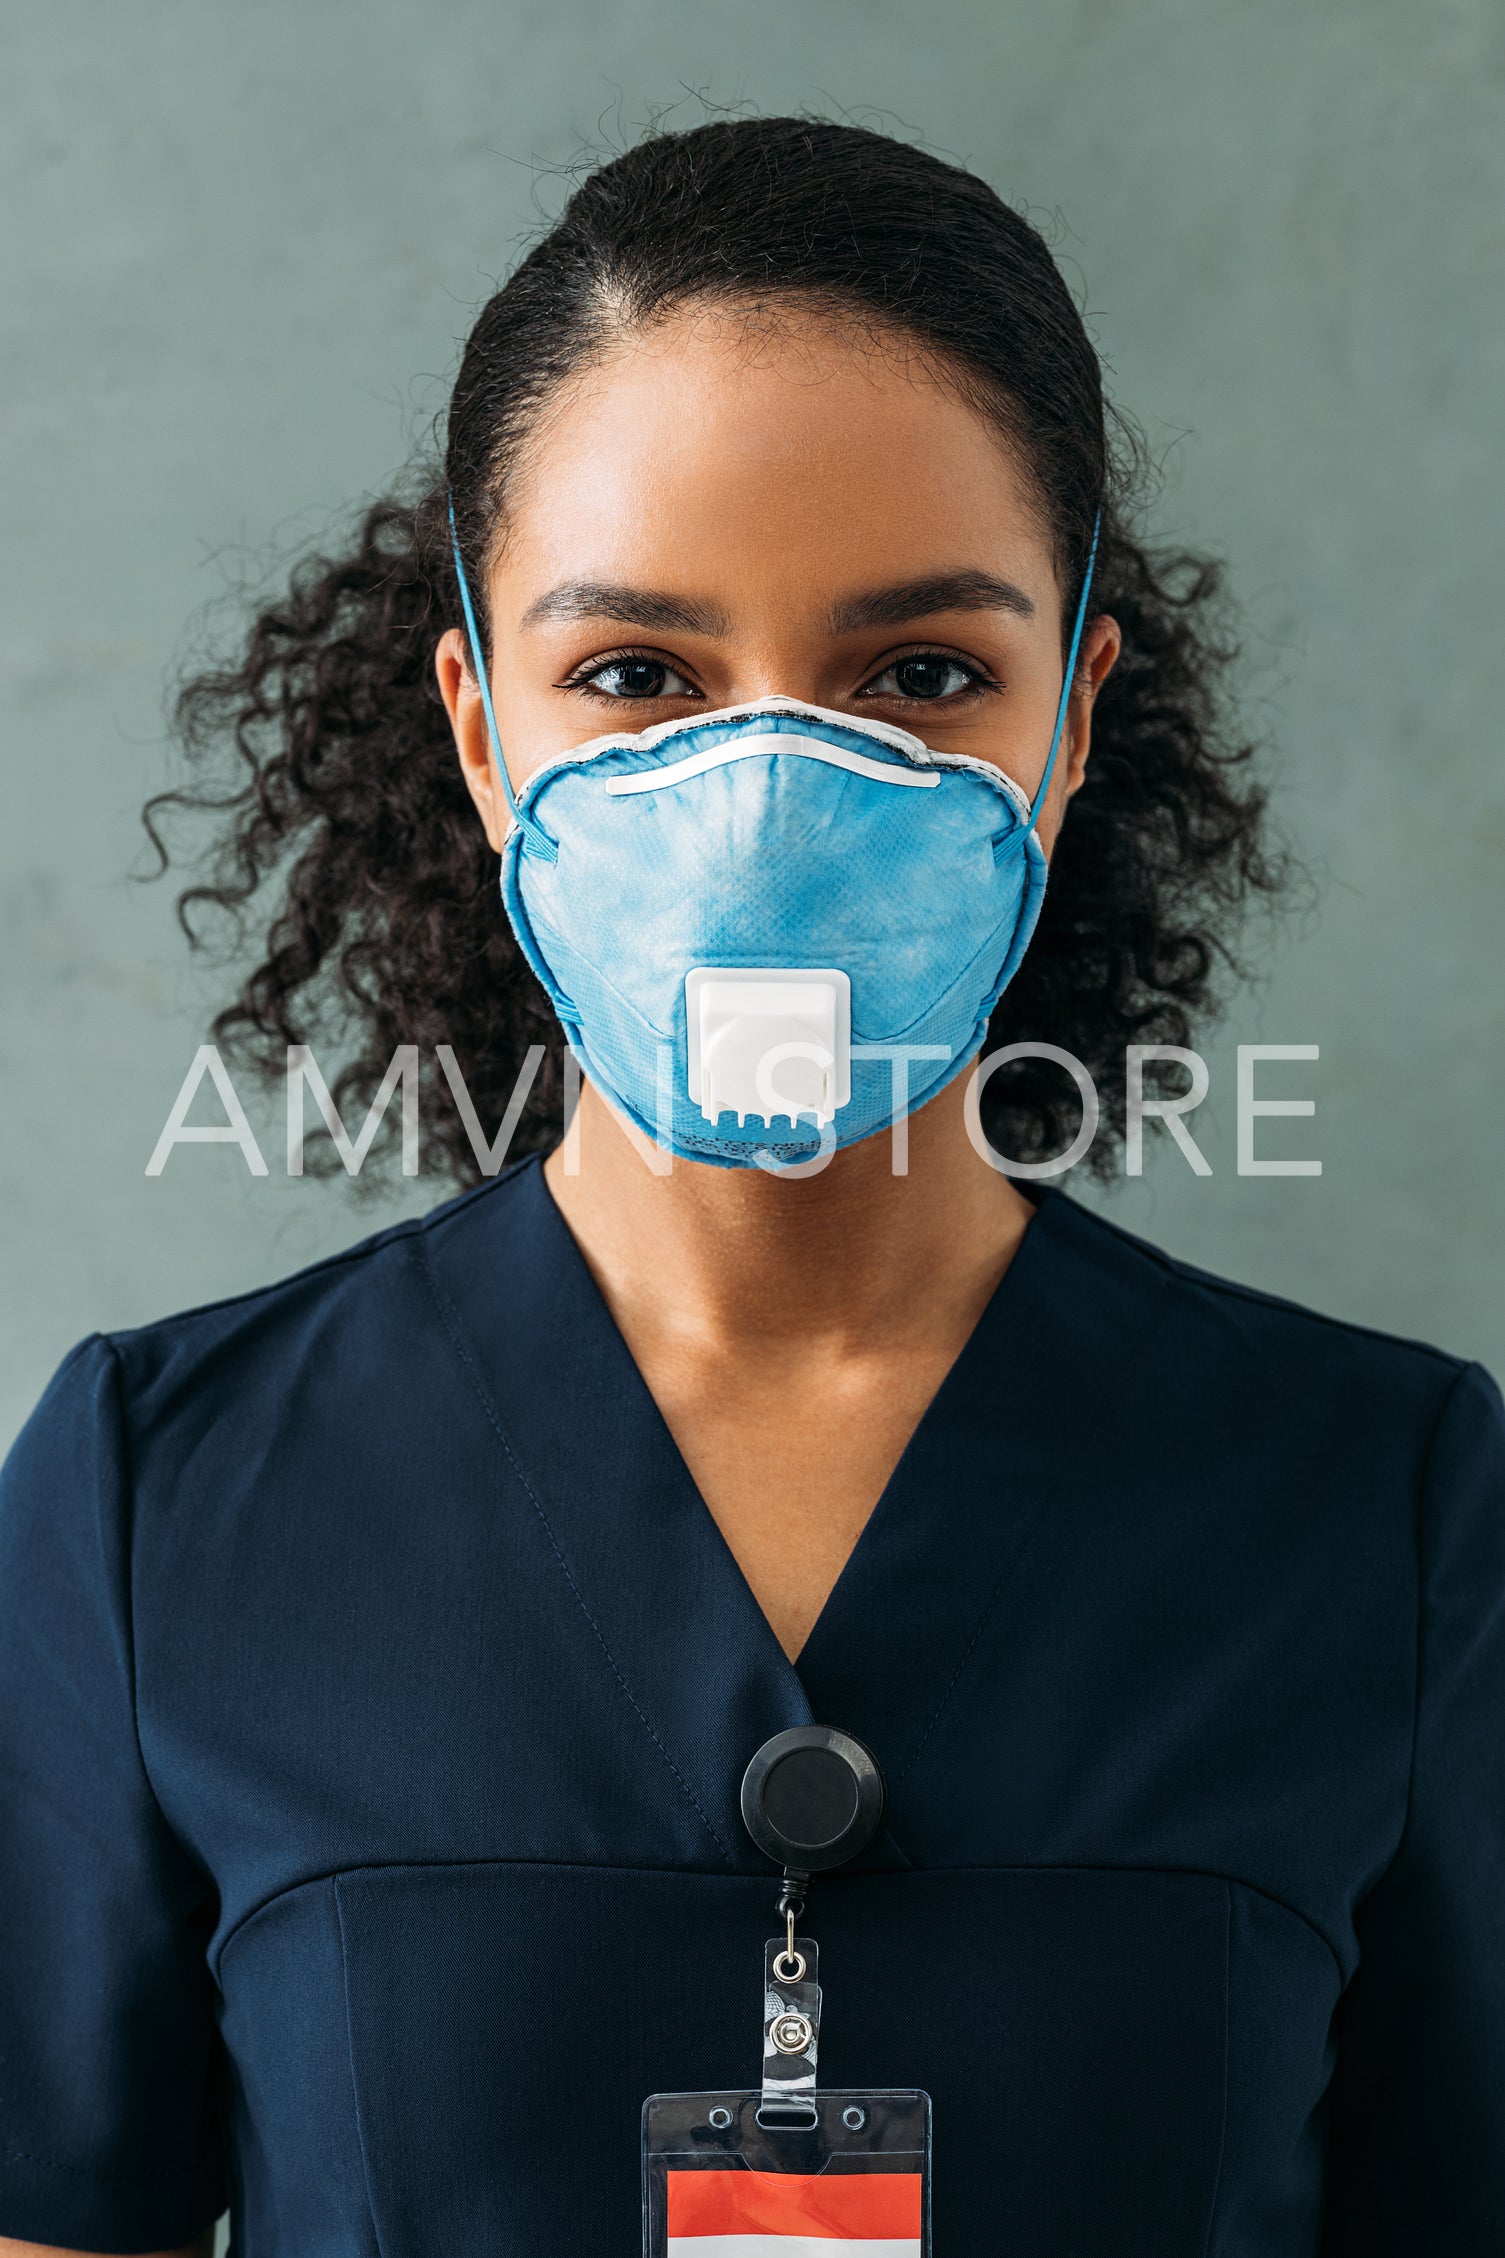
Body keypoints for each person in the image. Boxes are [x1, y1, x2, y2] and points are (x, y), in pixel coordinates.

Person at [1, 116, 1501, 2258]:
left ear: (1073, 718)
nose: (770, 802)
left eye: (920, 675)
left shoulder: (1395, 1505)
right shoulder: (155, 1503)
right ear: (478, 725)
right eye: (635, 678)